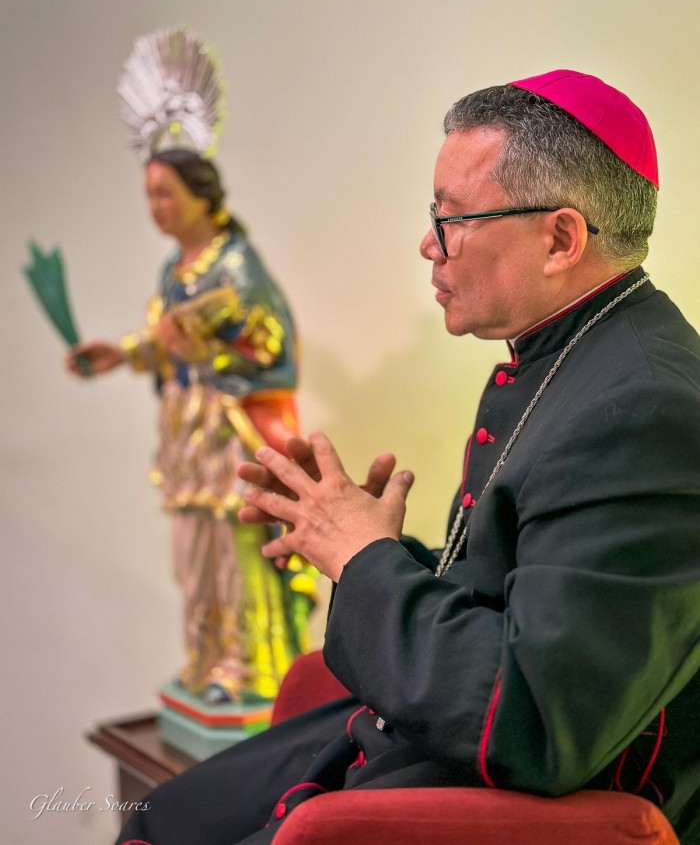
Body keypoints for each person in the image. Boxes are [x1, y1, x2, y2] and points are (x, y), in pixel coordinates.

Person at [118, 69, 700, 845]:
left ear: (561, 237)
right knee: (164, 813)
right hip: (427, 741)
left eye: (452, 218)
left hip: (506, 806)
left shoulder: (643, 407)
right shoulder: (575, 356)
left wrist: (366, 560)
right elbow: (517, 594)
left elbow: (533, 718)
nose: (428, 243)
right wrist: (369, 546)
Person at [68, 149, 316, 703]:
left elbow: (270, 343)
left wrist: (212, 350)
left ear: (201, 195)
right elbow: (166, 341)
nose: (155, 207)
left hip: (230, 425)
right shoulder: (174, 270)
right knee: (194, 548)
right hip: (186, 425)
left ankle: (251, 669)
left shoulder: (236, 264)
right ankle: (208, 657)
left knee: (235, 540)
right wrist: (124, 352)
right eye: (149, 195)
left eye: (165, 193)